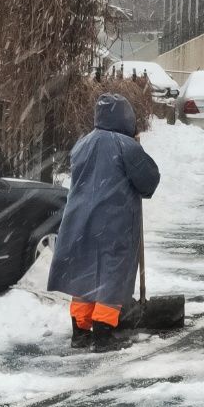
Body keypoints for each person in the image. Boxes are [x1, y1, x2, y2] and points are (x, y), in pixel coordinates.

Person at [48, 93, 160, 352]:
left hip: (79, 220)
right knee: (113, 274)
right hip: (114, 223)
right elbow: (148, 180)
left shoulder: (83, 143)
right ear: (127, 118)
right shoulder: (126, 146)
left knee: (86, 274)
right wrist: (136, 148)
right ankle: (103, 333)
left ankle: (80, 331)